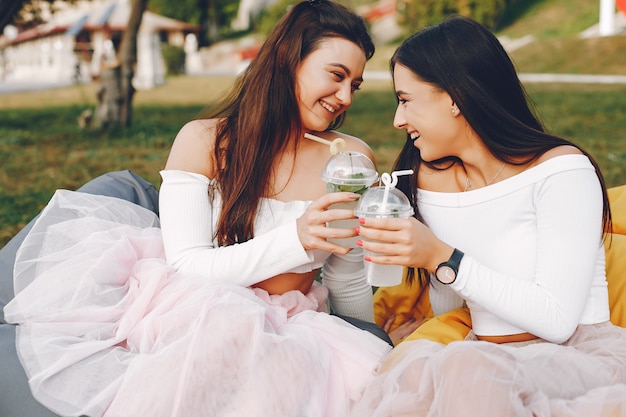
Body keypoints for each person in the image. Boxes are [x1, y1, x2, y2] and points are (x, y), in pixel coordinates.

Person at [3, 2, 393, 416]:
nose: (345, 96)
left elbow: (346, 278)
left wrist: (366, 345)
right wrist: (296, 238)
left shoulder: (350, 160)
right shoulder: (205, 141)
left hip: (293, 327)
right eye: (336, 76)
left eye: (356, 84)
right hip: (196, 313)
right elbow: (187, 266)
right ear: (286, 60)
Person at [351, 15, 626, 416]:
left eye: (406, 99)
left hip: (580, 357)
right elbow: (451, 304)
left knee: (468, 371)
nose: (397, 119)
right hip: (479, 357)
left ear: (455, 97)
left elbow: (557, 321)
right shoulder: (427, 180)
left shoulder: (561, 171)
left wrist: (441, 258)